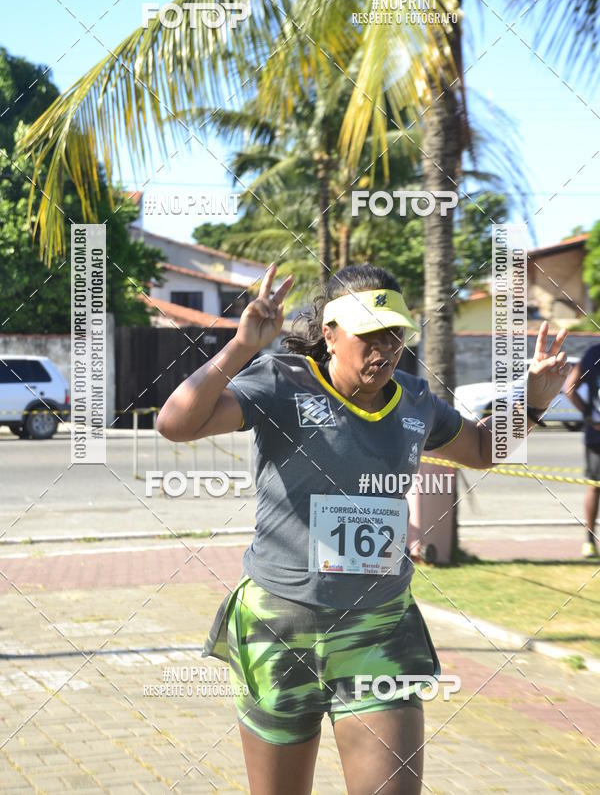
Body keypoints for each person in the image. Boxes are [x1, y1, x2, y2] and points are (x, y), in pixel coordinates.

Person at [157, 263, 569, 795]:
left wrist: (532, 400)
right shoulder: (282, 384)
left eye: (393, 334)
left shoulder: (415, 401)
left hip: (377, 627)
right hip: (280, 626)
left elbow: (484, 449)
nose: (385, 348)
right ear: (329, 334)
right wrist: (240, 347)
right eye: (368, 335)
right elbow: (175, 423)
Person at [565, 343, 600, 559]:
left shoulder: (592, 352)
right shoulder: (593, 354)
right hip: (596, 434)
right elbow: (570, 387)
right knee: (595, 487)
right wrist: (589, 416)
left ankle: (589, 541)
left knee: (595, 487)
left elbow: (570, 388)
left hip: (595, 429)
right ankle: (588, 540)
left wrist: (588, 415)